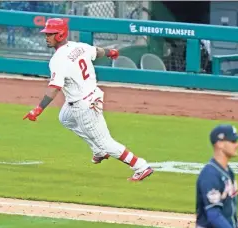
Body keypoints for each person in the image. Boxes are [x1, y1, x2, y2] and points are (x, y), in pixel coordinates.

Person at [23, 18, 154, 181]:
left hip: (83, 105)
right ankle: (98, 150)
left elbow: (55, 87)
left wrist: (38, 109)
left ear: (60, 34)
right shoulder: (78, 46)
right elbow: (97, 51)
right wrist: (110, 52)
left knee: (106, 142)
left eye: (50, 34)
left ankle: (140, 166)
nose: (46, 37)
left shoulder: (57, 60)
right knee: (65, 118)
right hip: (89, 96)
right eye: (47, 33)